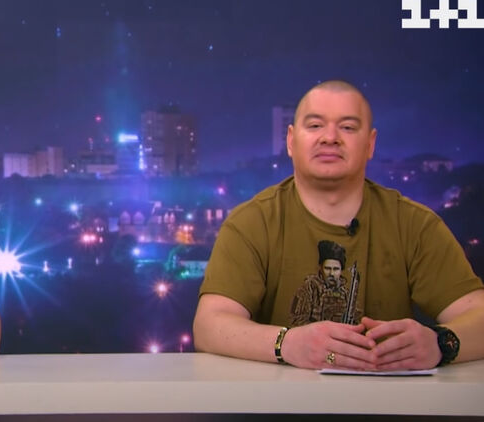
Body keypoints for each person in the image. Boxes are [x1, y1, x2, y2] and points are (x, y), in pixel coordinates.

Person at [194, 80, 484, 370]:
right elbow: (209, 326)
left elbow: (477, 315)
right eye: (315, 125)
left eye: (347, 127)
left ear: (370, 144)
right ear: (291, 141)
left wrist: (440, 344)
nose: (330, 137)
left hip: (389, 397)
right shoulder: (251, 223)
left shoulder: (414, 225)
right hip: (279, 398)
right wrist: (287, 343)